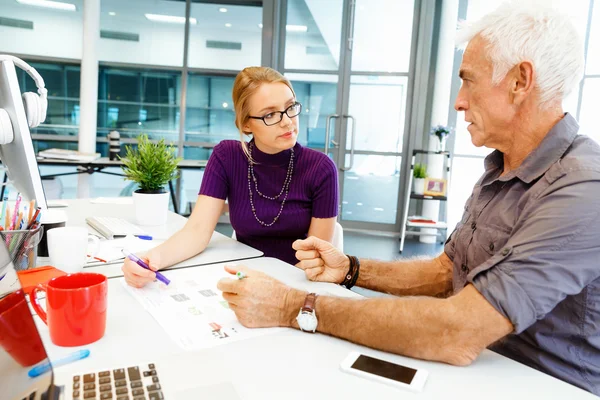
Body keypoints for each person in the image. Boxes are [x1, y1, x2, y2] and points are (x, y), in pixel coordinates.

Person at [217, 3, 600, 395]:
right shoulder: (500, 168)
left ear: (521, 81)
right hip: (476, 370)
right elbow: (445, 271)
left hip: (538, 384)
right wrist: (351, 268)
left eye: (469, 81)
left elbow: (460, 330)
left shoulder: (583, 188)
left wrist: (292, 306)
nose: (458, 101)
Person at [123, 67, 339, 288]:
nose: (287, 122)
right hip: (244, 277)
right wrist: (151, 260)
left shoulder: (320, 169)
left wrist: (275, 293)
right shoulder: (227, 157)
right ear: (246, 124)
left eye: (290, 107)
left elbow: (314, 259)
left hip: (296, 284)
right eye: (270, 114)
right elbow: (197, 231)